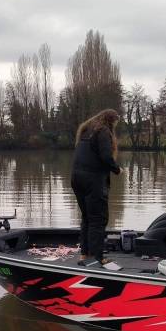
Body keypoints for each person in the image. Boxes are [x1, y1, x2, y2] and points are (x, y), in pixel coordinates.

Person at [71, 109, 123, 270]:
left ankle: (84, 254)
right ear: (112, 121)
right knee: (98, 219)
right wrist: (117, 169)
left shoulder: (86, 130)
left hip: (77, 178)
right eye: (115, 123)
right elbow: (106, 156)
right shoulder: (103, 131)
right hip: (93, 180)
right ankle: (97, 257)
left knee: (87, 217)